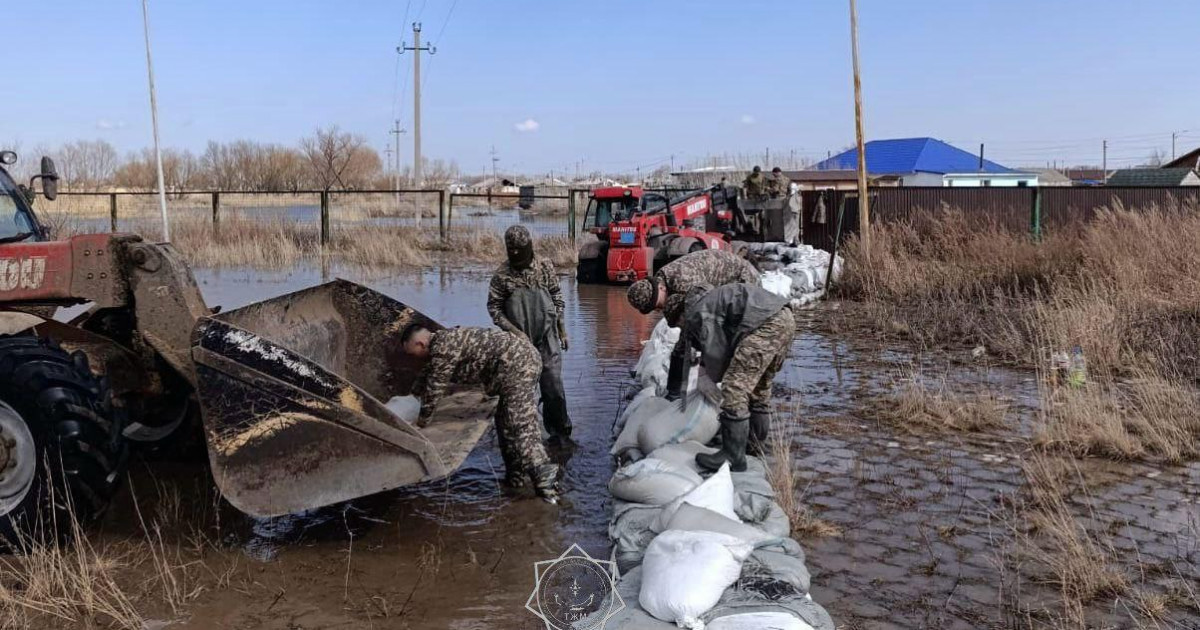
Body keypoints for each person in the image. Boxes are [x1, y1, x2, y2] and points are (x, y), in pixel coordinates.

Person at [401, 323, 561, 502]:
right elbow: (427, 374)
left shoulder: (443, 347)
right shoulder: (442, 342)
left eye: (411, 354)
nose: (412, 358)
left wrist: (421, 423)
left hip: (519, 365)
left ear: (420, 344)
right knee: (504, 426)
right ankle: (515, 478)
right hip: (515, 365)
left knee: (519, 426)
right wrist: (412, 395)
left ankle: (546, 482)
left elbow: (435, 387)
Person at [679, 283, 796, 472]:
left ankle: (733, 456)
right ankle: (753, 447)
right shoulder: (717, 298)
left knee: (734, 387)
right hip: (786, 319)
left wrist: (708, 375)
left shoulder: (700, 310)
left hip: (767, 325)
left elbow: (716, 350)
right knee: (759, 388)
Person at [625, 248, 759, 400]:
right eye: (653, 309)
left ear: (660, 288)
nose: (658, 310)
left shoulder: (684, 280)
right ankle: (673, 392)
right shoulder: (666, 281)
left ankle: (741, 394)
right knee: (686, 340)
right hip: (720, 287)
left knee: (736, 340)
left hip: (742, 281)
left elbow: (709, 321)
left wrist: (704, 370)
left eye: (657, 305)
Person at [487, 225, 572, 440]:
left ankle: (560, 434)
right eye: (512, 250)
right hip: (519, 342)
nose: (516, 253)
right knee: (520, 390)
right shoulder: (501, 276)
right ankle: (523, 437)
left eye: (520, 249)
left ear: (529, 247)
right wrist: (515, 332)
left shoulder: (544, 266)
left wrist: (562, 330)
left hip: (547, 337)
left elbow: (557, 297)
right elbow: (494, 310)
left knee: (553, 385)